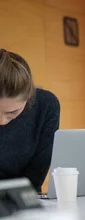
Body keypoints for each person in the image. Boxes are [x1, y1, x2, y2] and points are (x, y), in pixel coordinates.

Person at [0, 49, 60, 193]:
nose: (1, 121)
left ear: (29, 97)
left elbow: (34, 179)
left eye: (13, 112)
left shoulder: (45, 106)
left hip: (23, 200)